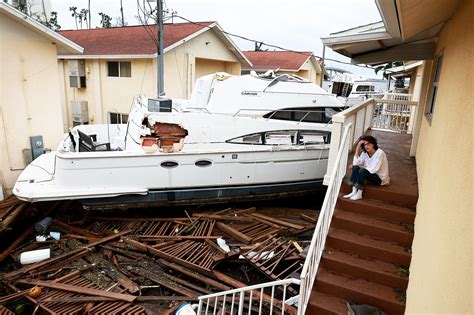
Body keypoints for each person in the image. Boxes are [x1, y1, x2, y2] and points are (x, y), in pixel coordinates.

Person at [343, 136, 390, 200]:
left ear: (373, 144)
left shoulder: (380, 153)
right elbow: (356, 163)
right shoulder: (365, 153)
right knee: (356, 167)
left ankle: (359, 194)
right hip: (370, 174)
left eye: (368, 144)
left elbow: (373, 169)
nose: (366, 146)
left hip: (379, 178)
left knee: (362, 171)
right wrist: (358, 147)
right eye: (364, 145)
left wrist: (361, 167)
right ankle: (353, 191)